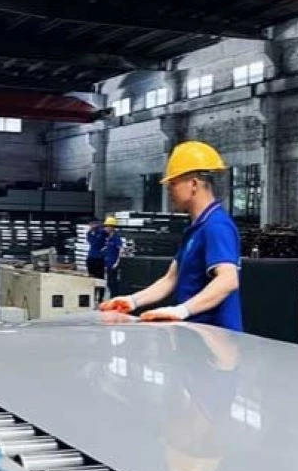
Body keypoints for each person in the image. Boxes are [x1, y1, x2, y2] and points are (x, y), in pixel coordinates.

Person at [100, 141, 242, 331]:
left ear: (193, 184)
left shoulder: (216, 226)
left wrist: (181, 311)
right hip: (196, 333)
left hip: (217, 336)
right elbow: (170, 280)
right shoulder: (195, 229)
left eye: (173, 184)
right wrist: (132, 301)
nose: (169, 191)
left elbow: (228, 280)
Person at [103, 216, 123, 298]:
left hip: (113, 264)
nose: (105, 228)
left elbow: (120, 251)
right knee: (109, 283)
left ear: (111, 227)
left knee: (113, 282)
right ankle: (112, 297)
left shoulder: (116, 238)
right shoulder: (109, 238)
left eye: (107, 226)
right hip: (108, 263)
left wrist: (117, 263)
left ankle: (115, 297)